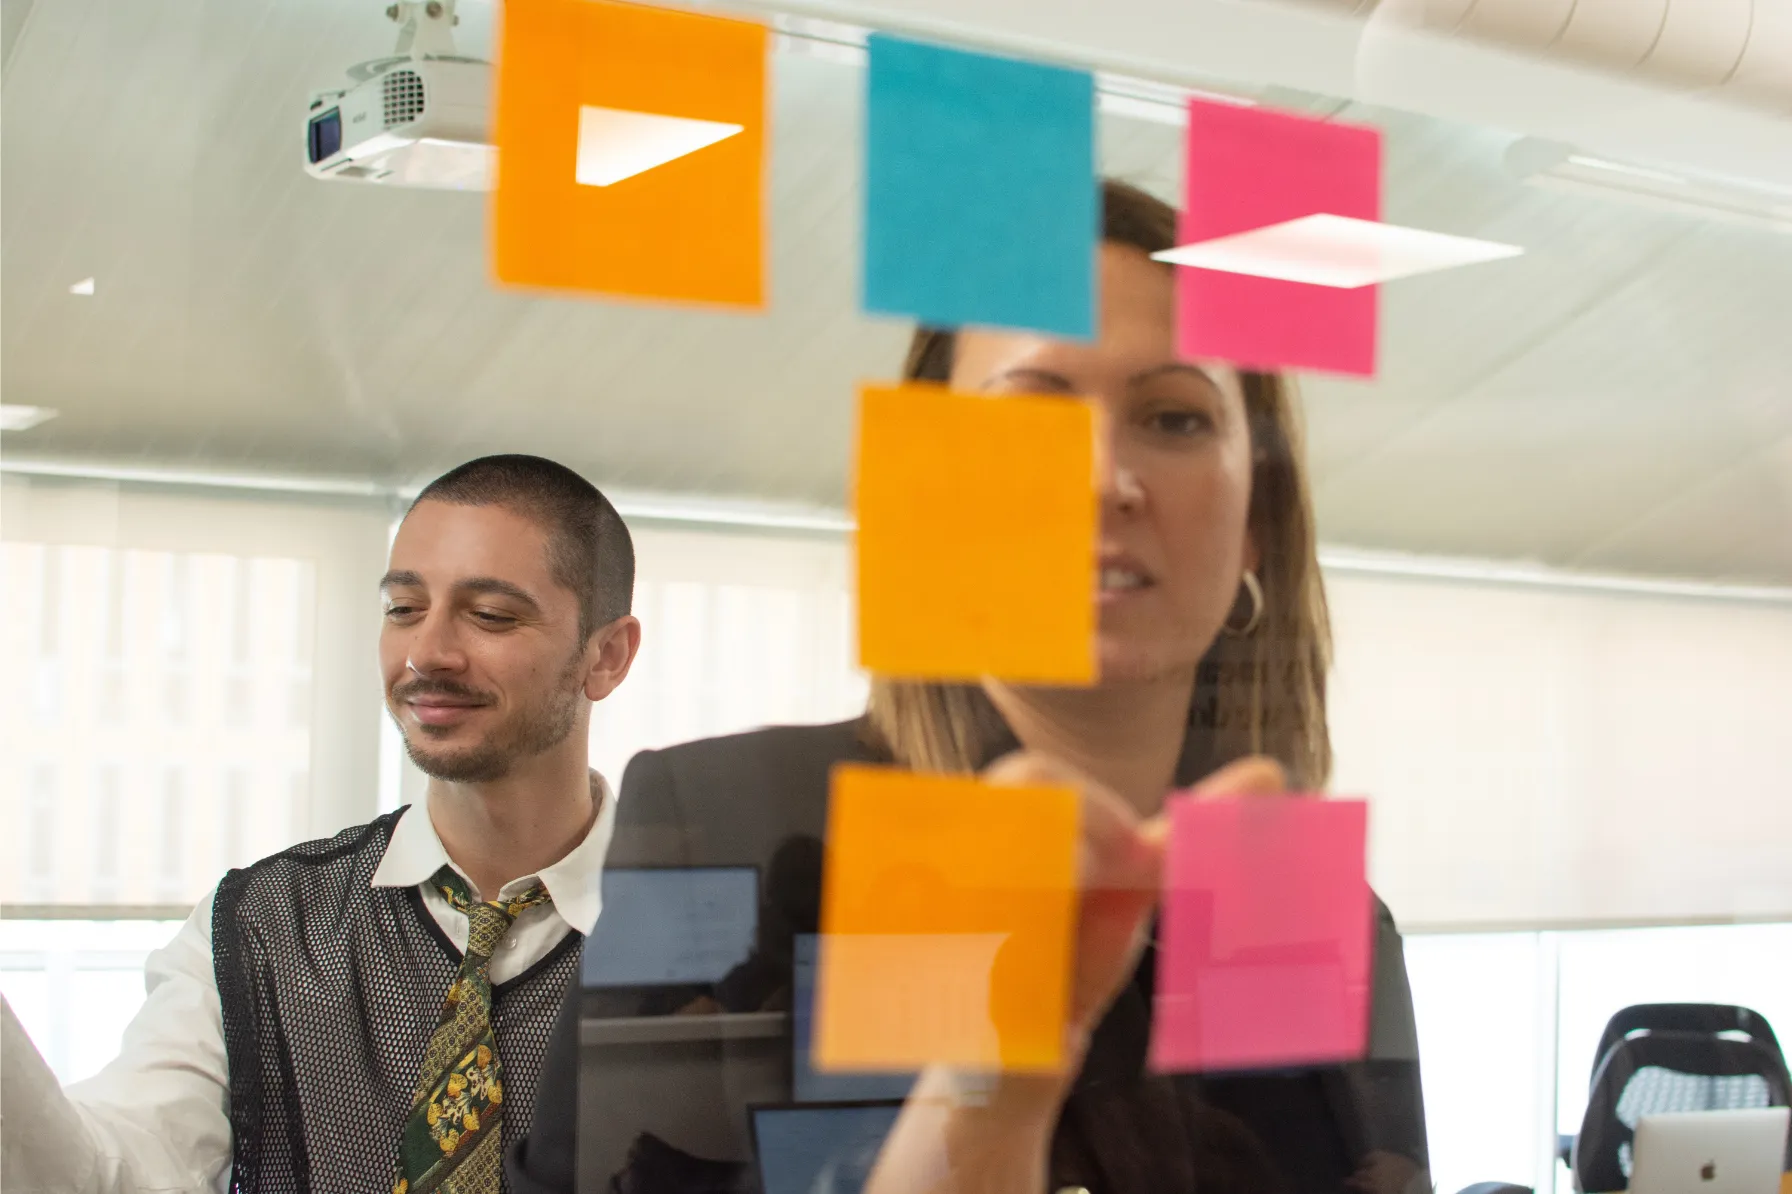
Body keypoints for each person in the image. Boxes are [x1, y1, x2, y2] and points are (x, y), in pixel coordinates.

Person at [507, 180, 1429, 1194]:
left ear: (1257, 522)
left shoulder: (1323, 917)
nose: (1100, 478)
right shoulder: (740, 825)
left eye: (1173, 418)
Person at [2, 455, 642, 1194]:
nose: (426, 653)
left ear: (607, 655)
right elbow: (115, 1170)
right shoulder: (258, 927)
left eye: (490, 615)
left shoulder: (719, 940)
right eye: (404, 609)